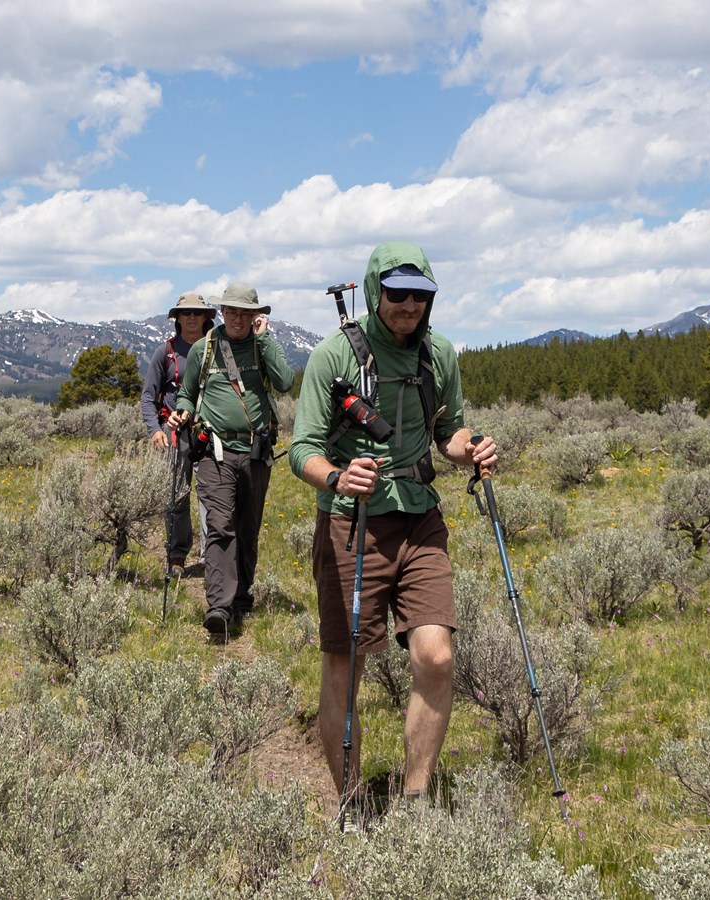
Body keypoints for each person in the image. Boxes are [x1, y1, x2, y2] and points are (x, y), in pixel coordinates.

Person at [288, 241, 497, 804]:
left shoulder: (440, 353)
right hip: (351, 523)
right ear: (376, 289)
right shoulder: (336, 355)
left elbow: (448, 432)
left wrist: (469, 450)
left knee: (436, 654)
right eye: (397, 293)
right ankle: (351, 802)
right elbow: (301, 448)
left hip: (420, 515)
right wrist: (336, 478)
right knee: (345, 667)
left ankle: (416, 798)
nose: (409, 304)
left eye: (420, 294)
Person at [169, 283, 294, 635]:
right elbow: (188, 393)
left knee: (247, 528)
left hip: (256, 451)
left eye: (246, 313)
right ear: (223, 312)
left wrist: (266, 340)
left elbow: (285, 382)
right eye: (233, 311)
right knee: (221, 525)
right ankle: (219, 606)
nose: (238, 319)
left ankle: (241, 597)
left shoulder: (262, 347)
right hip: (215, 452)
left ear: (257, 316)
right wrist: (181, 411)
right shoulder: (204, 350)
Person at [139, 290, 214, 576]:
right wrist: (154, 430)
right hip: (175, 434)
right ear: (178, 318)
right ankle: (176, 555)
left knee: (212, 495)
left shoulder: (216, 347)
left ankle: (212, 556)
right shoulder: (166, 351)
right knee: (176, 496)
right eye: (186, 313)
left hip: (210, 433)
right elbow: (148, 396)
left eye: (197, 313)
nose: (192, 317)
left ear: (206, 318)